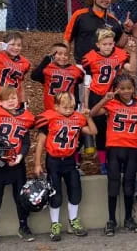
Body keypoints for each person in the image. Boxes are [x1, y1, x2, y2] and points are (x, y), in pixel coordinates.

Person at [90, 74, 137, 235]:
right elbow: (92, 113)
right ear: (116, 89)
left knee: (129, 185)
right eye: (122, 88)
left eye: (129, 88)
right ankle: (111, 220)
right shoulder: (111, 103)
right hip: (114, 149)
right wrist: (105, 98)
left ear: (134, 89)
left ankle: (129, 218)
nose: (126, 91)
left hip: (132, 149)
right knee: (113, 184)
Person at [34, 92, 97, 242]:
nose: (69, 109)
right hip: (54, 160)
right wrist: (37, 163)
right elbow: (40, 143)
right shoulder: (49, 118)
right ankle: (55, 224)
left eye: (71, 106)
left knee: (75, 191)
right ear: (56, 106)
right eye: (65, 107)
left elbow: (93, 131)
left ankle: (73, 221)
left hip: (69, 160)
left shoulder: (78, 118)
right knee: (55, 195)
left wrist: (88, 117)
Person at [82, 28, 130, 174]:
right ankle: (102, 162)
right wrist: (85, 102)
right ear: (98, 45)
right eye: (105, 44)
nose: (108, 47)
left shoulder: (120, 55)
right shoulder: (90, 57)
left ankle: (112, 161)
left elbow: (127, 69)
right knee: (99, 131)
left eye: (110, 44)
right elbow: (87, 82)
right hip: (96, 95)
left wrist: (133, 52)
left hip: (113, 96)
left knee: (112, 130)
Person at [0, 87, 35, 245]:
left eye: (14, 98)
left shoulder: (25, 117)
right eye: (7, 99)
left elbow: (26, 142)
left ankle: (23, 227)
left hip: (16, 164)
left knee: (21, 198)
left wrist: (19, 157)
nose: (11, 101)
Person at [64, 0, 130, 65]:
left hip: (106, 67)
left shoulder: (113, 20)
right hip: (83, 66)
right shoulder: (79, 15)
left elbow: (119, 45)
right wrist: (64, 62)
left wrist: (127, 31)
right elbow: (67, 39)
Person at [31, 43, 84, 111]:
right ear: (52, 55)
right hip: (51, 108)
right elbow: (34, 76)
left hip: (68, 108)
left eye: (66, 54)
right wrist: (46, 59)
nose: (63, 57)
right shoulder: (47, 68)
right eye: (59, 54)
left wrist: (76, 102)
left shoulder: (75, 70)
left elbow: (76, 85)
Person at [0, 32, 30, 107]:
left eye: (19, 45)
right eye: (12, 44)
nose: (16, 47)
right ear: (5, 45)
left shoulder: (25, 63)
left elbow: (21, 83)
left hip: (12, 101)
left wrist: (22, 102)